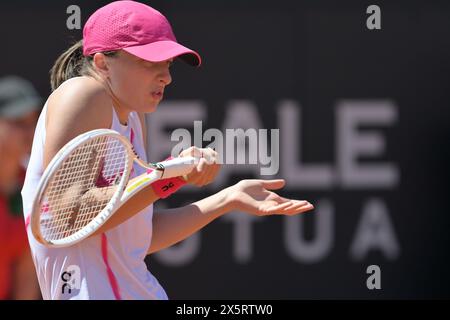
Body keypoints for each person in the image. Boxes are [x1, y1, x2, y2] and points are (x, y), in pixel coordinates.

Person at [21, 1, 314, 300]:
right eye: (150, 62)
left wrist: (226, 198)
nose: (166, 77)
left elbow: (136, 237)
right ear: (102, 63)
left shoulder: (134, 116)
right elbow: (67, 218)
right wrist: (169, 173)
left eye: (168, 64)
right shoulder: (85, 93)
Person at [0, 76, 41, 299]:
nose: (28, 132)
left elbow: (26, 274)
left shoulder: (31, 187)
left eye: (32, 122)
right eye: (17, 122)